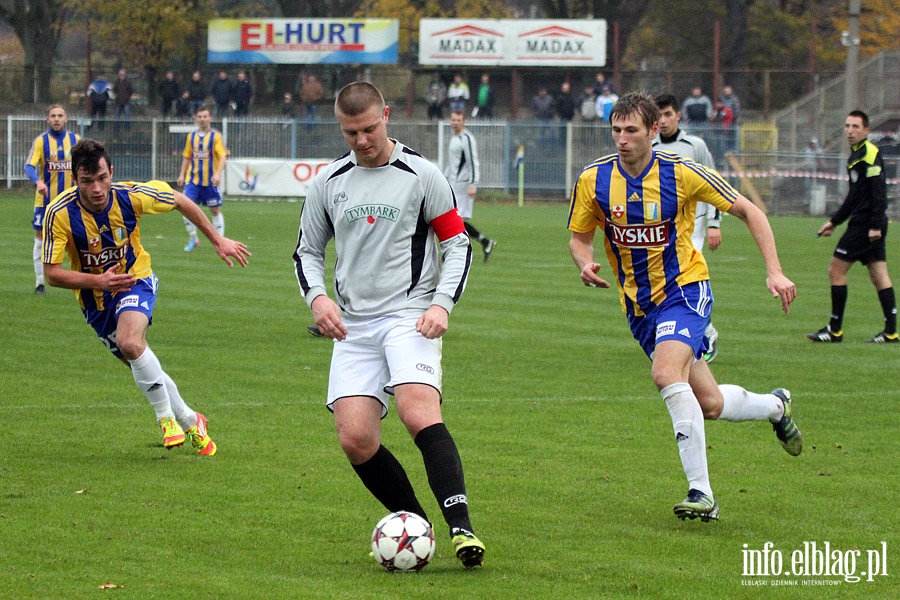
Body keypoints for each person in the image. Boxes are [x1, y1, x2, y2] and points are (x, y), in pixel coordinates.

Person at [567, 92, 802, 522]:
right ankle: (776, 406)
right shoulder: (593, 180)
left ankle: (702, 494)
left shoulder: (682, 172)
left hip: (685, 289)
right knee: (709, 404)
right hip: (638, 306)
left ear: (654, 131)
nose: (621, 139)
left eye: (631, 131)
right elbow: (579, 238)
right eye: (616, 130)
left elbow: (750, 211)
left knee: (664, 373)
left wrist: (775, 271)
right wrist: (585, 263)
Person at [292, 81, 485, 568]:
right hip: (352, 325)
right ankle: (416, 530)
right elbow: (307, 252)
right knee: (355, 438)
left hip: (409, 315)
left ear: (388, 116)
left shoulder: (421, 174)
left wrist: (442, 303)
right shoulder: (329, 182)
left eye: (369, 128)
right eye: (350, 131)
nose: (361, 140)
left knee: (417, 412)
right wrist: (317, 299)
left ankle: (462, 528)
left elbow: (456, 243)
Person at [41, 138, 250, 454]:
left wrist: (217, 240)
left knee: (129, 342)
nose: (96, 188)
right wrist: (98, 280)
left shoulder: (132, 195)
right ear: (75, 180)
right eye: (87, 182)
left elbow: (180, 200)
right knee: (138, 359)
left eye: (102, 178)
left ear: (111, 171)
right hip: (94, 301)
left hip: (136, 280)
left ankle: (166, 420)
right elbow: (52, 274)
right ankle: (191, 419)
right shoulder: (59, 213)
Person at [807, 110, 897, 343]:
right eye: (847, 126)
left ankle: (834, 330)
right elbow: (854, 198)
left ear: (866, 130)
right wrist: (834, 222)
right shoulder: (855, 156)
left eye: (856, 126)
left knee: (836, 270)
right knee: (879, 275)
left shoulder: (869, 153)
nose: (850, 130)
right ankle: (891, 332)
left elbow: (879, 192)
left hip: (866, 225)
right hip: (866, 222)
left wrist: (875, 225)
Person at [653, 93, 722, 362]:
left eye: (668, 114)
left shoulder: (695, 146)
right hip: (663, 227)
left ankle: (706, 331)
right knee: (666, 280)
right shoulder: (650, 148)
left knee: (686, 276)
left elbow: (714, 184)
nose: (664, 120)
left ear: (678, 115)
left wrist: (715, 223)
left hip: (694, 225)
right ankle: (677, 333)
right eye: (658, 116)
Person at [24, 104, 80, 294]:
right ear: (48, 119)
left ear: (67, 118)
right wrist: (38, 182)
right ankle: (40, 283)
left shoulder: (75, 141)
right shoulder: (41, 141)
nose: (57, 119)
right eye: (53, 116)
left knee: (78, 240)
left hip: (72, 202)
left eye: (60, 115)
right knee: (40, 240)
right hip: (45, 203)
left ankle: (81, 280)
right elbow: (29, 167)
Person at [445, 110, 496, 262]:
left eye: (458, 120)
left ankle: (457, 251)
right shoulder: (454, 139)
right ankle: (484, 242)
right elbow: (452, 164)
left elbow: (473, 162)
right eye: (453, 120)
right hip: (453, 184)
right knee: (454, 220)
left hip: (462, 185)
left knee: (454, 220)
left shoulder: (467, 138)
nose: (455, 123)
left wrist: (473, 184)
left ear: (463, 121)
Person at [177, 106, 229, 251]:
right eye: (200, 117)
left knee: (214, 210)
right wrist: (182, 175)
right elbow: (187, 156)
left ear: (210, 118)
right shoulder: (191, 137)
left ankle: (219, 242)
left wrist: (218, 174)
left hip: (209, 181)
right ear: (196, 118)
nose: (202, 119)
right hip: (193, 181)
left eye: (205, 116)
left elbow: (223, 156)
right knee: (185, 208)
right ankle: (193, 238)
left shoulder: (215, 137)